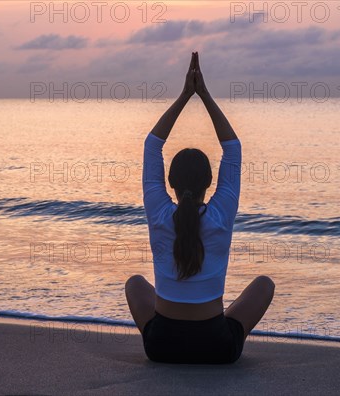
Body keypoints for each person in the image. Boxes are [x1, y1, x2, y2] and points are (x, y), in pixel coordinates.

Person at [125, 52, 275, 364]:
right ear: (211, 181)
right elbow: (232, 147)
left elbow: (152, 145)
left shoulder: (159, 211)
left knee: (134, 284)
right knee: (264, 285)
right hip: (216, 347)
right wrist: (203, 95)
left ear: (169, 181)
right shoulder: (221, 212)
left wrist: (184, 96)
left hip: (161, 346)